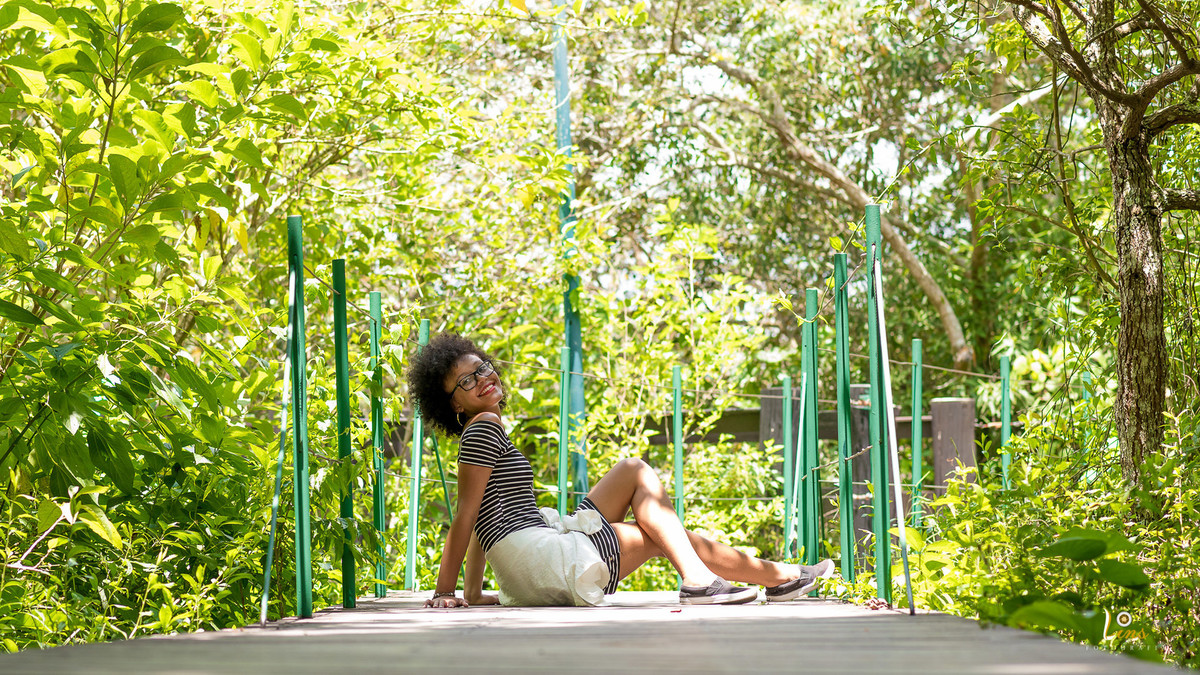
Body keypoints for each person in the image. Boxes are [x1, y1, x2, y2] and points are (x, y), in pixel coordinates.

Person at [407, 333, 834, 608]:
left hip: (526, 560)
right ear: (454, 406)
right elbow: (464, 516)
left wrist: (473, 592)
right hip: (538, 557)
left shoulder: (486, 428)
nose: (482, 378)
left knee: (634, 471)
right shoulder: (483, 428)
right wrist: (446, 591)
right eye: (466, 381)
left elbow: (482, 515)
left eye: (481, 367)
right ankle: (738, 579)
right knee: (660, 533)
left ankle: (768, 578)